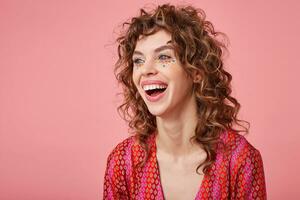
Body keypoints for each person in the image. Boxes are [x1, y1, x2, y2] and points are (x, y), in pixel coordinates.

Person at [103, 3, 267, 200]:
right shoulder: (123, 161)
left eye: (163, 56)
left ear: (196, 72)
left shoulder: (240, 160)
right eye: (138, 60)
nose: (145, 70)